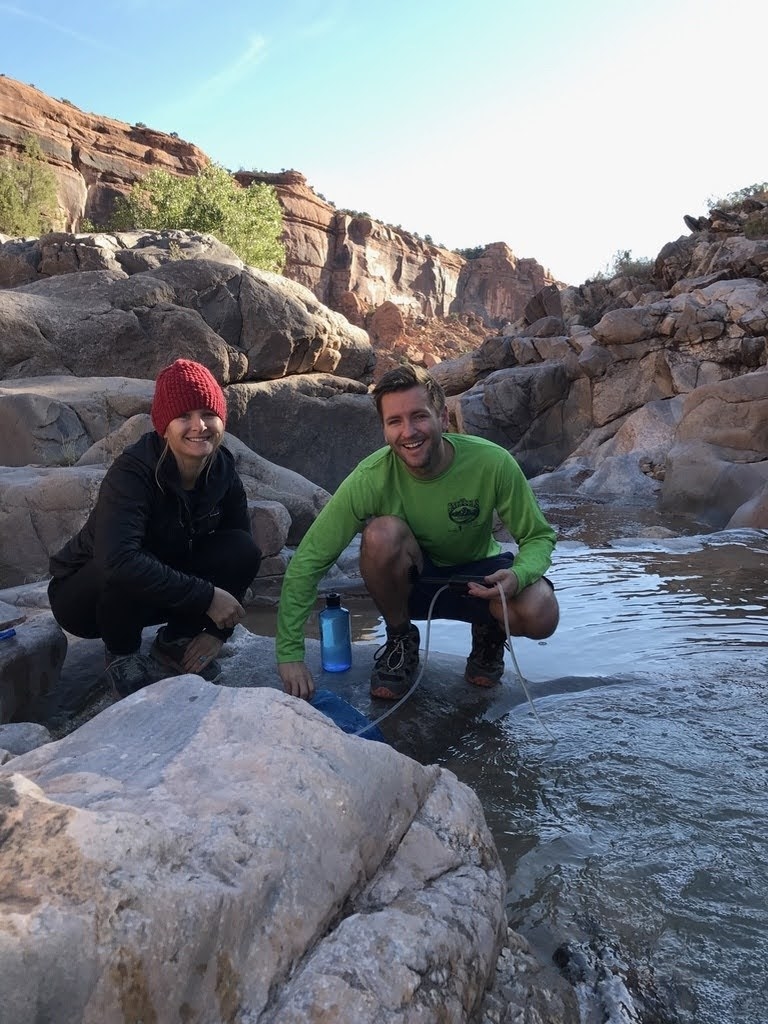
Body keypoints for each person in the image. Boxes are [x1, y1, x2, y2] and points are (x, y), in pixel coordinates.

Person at [276, 364, 559, 701]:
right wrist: (290, 653)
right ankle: (399, 638)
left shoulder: (492, 462)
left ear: (443, 418)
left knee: (541, 612)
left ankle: (490, 634)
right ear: (383, 429)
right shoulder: (370, 477)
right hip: (415, 584)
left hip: (482, 582)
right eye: (394, 421)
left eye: (419, 416)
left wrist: (519, 574)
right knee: (381, 534)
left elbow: (539, 537)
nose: (408, 431)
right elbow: (310, 560)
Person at [48, 358, 262, 699]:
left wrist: (215, 633)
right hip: (87, 598)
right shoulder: (133, 473)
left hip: (157, 586)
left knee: (242, 549)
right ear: (164, 425)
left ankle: (176, 640)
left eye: (208, 413)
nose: (199, 426)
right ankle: (122, 652)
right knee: (120, 562)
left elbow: (241, 553)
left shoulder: (222, 469)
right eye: (184, 416)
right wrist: (206, 597)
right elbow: (116, 561)